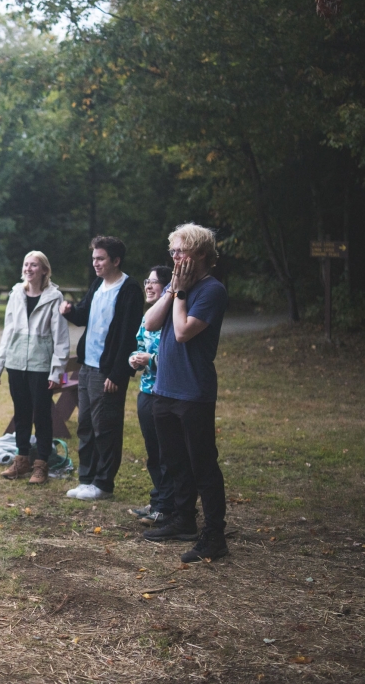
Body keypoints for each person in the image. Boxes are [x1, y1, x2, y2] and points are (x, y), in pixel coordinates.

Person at [140, 224, 230, 563]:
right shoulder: (177, 287)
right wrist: (172, 291)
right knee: (174, 460)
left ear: (201, 254)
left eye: (182, 251)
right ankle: (183, 520)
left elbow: (181, 332)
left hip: (193, 391)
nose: (175, 257)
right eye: (173, 252)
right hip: (164, 388)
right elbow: (150, 323)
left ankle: (214, 536)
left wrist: (178, 294)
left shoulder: (211, 290)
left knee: (203, 464)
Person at [60, 236, 144, 501]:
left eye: (101, 258)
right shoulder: (98, 284)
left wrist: (118, 373)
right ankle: (87, 480)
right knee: (85, 425)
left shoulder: (129, 289)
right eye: (94, 258)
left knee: (105, 427)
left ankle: (104, 485)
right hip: (87, 366)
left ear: (116, 261)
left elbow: (130, 336)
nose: (95, 263)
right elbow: (84, 314)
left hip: (107, 371)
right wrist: (70, 311)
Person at [0, 251, 70, 484]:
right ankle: (22, 459)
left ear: (44, 270)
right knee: (21, 413)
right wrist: (0, 364)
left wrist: (57, 371)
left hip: (40, 365)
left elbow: (61, 337)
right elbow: (8, 330)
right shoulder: (16, 293)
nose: (28, 268)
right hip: (16, 363)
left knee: (43, 415)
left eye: (34, 265)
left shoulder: (54, 297)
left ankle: (42, 464)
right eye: (26, 264)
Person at [127, 265, 174, 525]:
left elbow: (178, 357)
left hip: (168, 393)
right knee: (153, 453)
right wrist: (134, 359)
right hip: (146, 392)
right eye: (147, 280)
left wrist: (152, 359)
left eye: (154, 282)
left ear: (168, 287)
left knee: (169, 454)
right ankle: (158, 502)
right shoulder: (148, 317)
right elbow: (139, 348)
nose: (148, 286)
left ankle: (170, 507)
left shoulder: (174, 317)